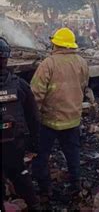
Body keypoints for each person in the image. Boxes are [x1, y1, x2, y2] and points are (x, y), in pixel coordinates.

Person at [31, 28, 89, 199]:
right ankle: (75, 186)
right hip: (72, 120)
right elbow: (84, 86)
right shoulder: (81, 62)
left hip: (49, 121)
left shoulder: (48, 63)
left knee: (41, 155)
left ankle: (45, 189)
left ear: (55, 43)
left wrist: (34, 119)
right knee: (73, 154)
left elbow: (36, 94)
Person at [0, 37, 41, 210]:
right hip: (15, 143)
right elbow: (33, 118)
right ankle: (34, 205)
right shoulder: (20, 85)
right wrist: (34, 144)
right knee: (20, 173)